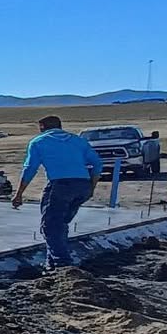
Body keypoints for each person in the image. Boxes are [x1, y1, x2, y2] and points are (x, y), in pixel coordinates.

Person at [13, 115, 103, 268]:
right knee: (60, 224)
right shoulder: (77, 140)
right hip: (83, 186)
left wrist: (19, 194)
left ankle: (63, 265)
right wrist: (91, 187)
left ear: (42, 126)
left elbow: (30, 169)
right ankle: (51, 265)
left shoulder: (39, 142)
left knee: (50, 226)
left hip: (60, 185)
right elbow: (97, 163)